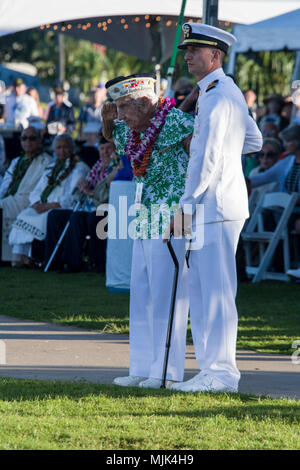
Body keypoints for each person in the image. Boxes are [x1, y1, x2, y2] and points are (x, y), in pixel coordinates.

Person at [163, 22, 262, 393]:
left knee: (216, 294)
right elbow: (253, 140)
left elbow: (205, 159)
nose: (187, 56)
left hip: (214, 206)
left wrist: (184, 207)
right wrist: (225, 153)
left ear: (215, 55)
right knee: (206, 292)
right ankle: (211, 371)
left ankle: (221, 374)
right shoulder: (223, 91)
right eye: (187, 50)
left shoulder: (219, 95)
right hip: (217, 203)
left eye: (194, 51)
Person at [102, 73, 194, 389]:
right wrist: (106, 119)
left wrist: (189, 207)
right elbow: (111, 135)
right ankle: (141, 367)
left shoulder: (178, 121)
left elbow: (203, 160)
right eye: (117, 109)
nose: (121, 117)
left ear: (144, 102)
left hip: (172, 218)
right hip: (142, 217)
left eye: (124, 108)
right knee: (140, 295)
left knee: (167, 297)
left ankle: (166, 372)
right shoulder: (133, 128)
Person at [8, 134, 89, 266]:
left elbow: (72, 196)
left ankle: (36, 257)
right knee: (24, 215)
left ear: (72, 149)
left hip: (61, 207)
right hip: (42, 206)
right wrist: (36, 204)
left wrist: (50, 205)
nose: (62, 151)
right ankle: (24, 258)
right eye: (58, 148)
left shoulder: (79, 167)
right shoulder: (51, 167)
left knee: (45, 218)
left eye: (65, 147)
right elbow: (36, 191)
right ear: (54, 150)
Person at [43, 137, 118, 273]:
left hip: (106, 207)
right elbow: (78, 194)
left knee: (86, 218)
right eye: (102, 148)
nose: (105, 152)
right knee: (55, 215)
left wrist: (90, 193)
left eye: (109, 148)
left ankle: (93, 263)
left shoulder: (116, 167)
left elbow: (106, 196)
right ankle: (54, 262)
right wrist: (81, 185)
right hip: (88, 206)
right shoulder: (98, 166)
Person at [0, 126, 52, 264]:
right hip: (13, 198)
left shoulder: (46, 161)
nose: (28, 141)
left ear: (40, 141)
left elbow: (41, 189)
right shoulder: (17, 161)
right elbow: (5, 184)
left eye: (32, 138)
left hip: (28, 200)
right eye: (24, 138)